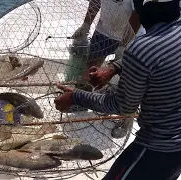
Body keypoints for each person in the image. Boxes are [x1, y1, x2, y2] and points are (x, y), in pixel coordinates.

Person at [55, 0, 181, 179]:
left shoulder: (141, 50)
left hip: (157, 148)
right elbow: (158, 56)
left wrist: (75, 96)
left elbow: (122, 106)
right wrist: (115, 67)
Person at [70, 0, 143, 139]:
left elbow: (137, 13)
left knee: (127, 79)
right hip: (105, 29)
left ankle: (125, 119)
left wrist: (124, 45)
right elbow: (95, 2)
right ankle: (81, 101)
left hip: (130, 33)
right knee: (89, 69)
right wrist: (86, 25)